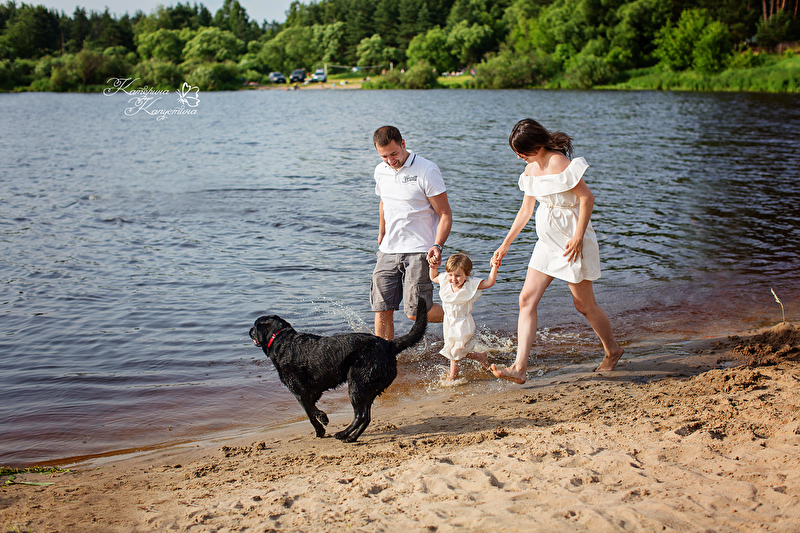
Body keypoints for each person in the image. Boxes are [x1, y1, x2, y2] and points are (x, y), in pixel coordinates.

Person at [490, 118, 623, 384]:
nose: (519, 156)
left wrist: (578, 237)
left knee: (583, 305)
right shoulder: (530, 169)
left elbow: (587, 198)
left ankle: (612, 350)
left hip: (571, 240)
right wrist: (505, 244)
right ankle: (519, 368)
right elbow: (526, 210)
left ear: (537, 146)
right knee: (526, 299)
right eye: (516, 152)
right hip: (546, 242)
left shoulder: (558, 162)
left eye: (521, 151)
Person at [371, 125, 452, 340]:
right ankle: (385, 357)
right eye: (384, 156)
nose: (390, 160)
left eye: (394, 154)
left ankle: (459, 313)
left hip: (419, 249)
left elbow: (445, 213)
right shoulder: (380, 171)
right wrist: (381, 231)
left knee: (415, 312)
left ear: (403, 143)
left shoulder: (426, 170)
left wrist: (437, 245)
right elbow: (384, 201)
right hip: (388, 249)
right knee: (381, 310)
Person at [430, 253, 499, 382]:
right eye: (450, 275)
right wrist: (433, 267)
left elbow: (489, 282)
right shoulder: (445, 281)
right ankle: (479, 356)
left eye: (458, 275)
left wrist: (494, 267)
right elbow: (433, 277)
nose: (453, 279)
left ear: (466, 274)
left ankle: (453, 377)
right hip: (448, 322)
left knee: (455, 351)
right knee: (454, 349)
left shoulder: (470, 285)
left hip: (463, 323)